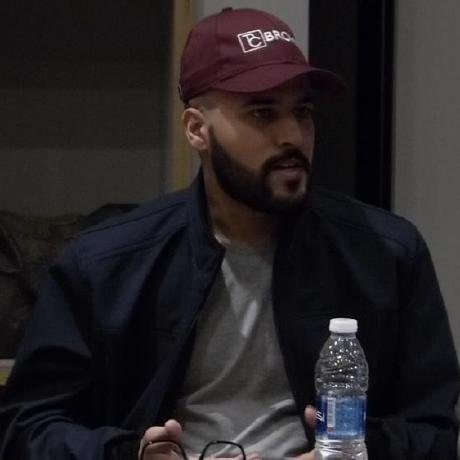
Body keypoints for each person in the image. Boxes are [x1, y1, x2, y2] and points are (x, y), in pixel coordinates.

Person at [0, 7, 459, 460]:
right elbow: (28, 428)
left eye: (302, 112)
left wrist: (348, 453)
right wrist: (131, 453)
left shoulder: (385, 253)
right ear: (197, 129)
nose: (292, 136)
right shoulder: (105, 264)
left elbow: (434, 431)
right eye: (262, 113)